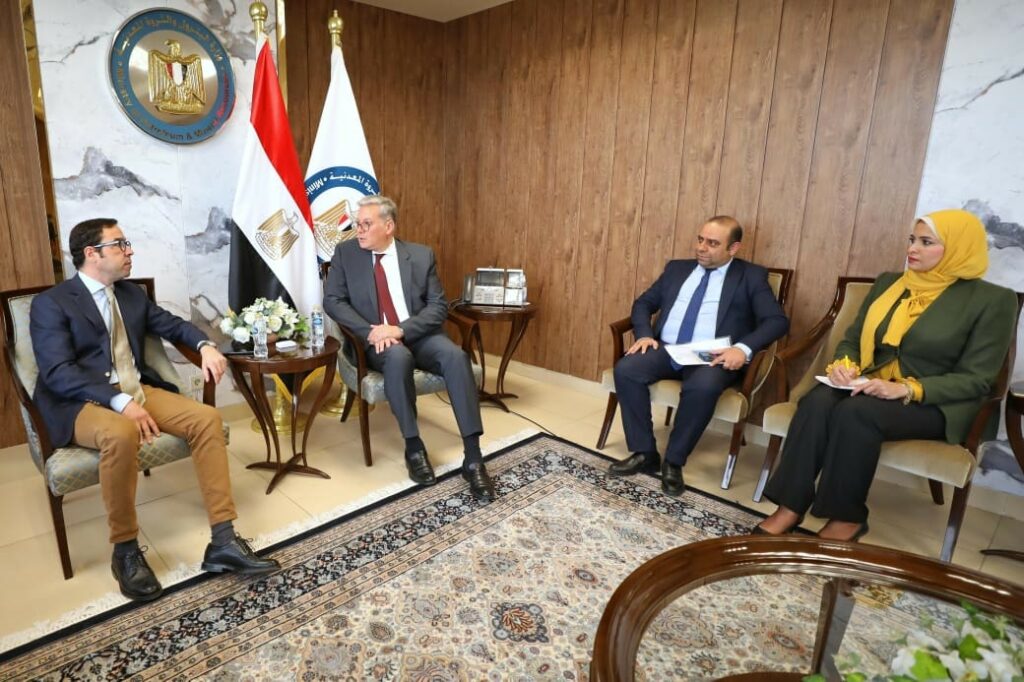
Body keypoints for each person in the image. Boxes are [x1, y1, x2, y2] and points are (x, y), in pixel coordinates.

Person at [30, 218, 279, 601]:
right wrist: (121, 403)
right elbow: (58, 372)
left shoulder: (130, 294)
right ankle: (125, 551)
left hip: (134, 387)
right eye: (120, 244)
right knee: (120, 433)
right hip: (79, 401)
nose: (130, 250)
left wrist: (205, 346)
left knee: (207, 419)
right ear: (91, 254)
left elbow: (173, 325)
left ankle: (223, 540)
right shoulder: (52, 303)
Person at [756, 209, 1017, 541]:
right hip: (872, 385)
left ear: (958, 247)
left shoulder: (993, 301)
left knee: (856, 412)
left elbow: (977, 379)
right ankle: (789, 507)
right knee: (817, 401)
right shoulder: (889, 283)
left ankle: (846, 518)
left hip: (936, 403)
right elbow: (852, 339)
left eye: (926, 242)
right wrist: (845, 365)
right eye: (912, 239)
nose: (913, 248)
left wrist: (907, 389)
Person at [323, 195, 496, 502]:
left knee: (456, 357)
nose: (358, 230)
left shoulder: (419, 255)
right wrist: (371, 332)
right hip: (377, 341)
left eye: (366, 224)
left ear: (388, 226)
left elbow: (438, 307)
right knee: (398, 357)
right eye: (358, 224)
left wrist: (401, 329)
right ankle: (414, 448)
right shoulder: (345, 254)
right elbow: (333, 301)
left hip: (417, 334)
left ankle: (473, 458)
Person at [609, 216, 789, 495]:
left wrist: (741, 349)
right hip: (667, 348)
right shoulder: (677, 269)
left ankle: (673, 461)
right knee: (626, 369)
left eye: (713, 243)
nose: (702, 248)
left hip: (711, 354)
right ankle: (645, 453)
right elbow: (644, 303)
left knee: (703, 386)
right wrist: (644, 334)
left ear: (733, 248)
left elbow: (776, 321)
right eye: (700, 239)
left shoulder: (750, 276)